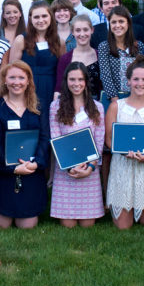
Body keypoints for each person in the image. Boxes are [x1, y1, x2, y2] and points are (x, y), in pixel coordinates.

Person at [0, 61, 49, 229]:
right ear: (5, 80)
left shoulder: (39, 105)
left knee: (27, 225)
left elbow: (45, 138)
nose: (17, 82)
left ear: (28, 81)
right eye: (12, 77)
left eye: (21, 77)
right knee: (1, 225)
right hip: (4, 172)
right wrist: (12, 168)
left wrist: (35, 163)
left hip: (31, 170)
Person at [105, 60, 144, 229]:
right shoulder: (116, 106)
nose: (140, 83)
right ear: (129, 81)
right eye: (136, 79)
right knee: (123, 226)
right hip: (123, 166)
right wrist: (124, 152)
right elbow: (109, 139)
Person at [49, 63, 105, 227]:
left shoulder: (98, 107)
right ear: (66, 81)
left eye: (80, 79)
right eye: (72, 79)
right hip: (66, 169)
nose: (76, 83)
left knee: (88, 224)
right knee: (68, 224)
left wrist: (91, 167)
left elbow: (99, 140)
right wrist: (69, 167)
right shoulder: (55, 107)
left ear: (86, 81)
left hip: (89, 169)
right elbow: (55, 137)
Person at [8, 1, 62, 114]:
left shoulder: (59, 41)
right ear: (31, 19)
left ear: (51, 17)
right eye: (36, 17)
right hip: (27, 89)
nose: (40, 20)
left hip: (50, 89)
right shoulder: (21, 40)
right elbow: (12, 70)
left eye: (44, 16)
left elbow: (61, 69)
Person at [96, 6, 139, 96]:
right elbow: (105, 75)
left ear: (128, 23)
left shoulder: (138, 46)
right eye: (114, 22)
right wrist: (113, 98)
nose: (117, 25)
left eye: (121, 21)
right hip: (114, 97)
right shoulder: (104, 47)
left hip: (136, 96)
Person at [55, 15, 101, 96]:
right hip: (71, 105)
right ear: (72, 32)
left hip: (97, 106)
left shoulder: (100, 56)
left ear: (92, 30)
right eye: (78, 30)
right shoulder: (65, 59)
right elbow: (59, 88)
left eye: (85, 30)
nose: (82, 34)